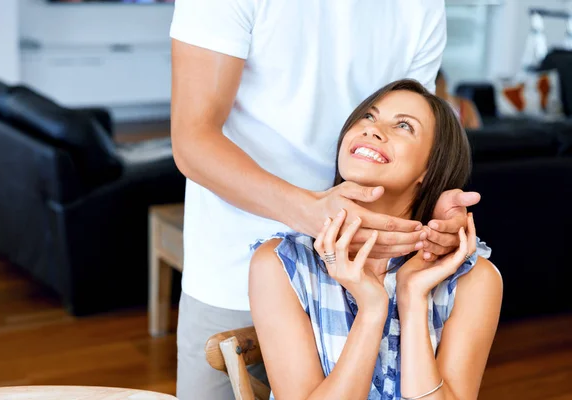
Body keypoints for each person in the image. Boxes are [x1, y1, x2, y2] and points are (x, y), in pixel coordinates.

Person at [169, 1, 484, 398]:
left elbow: (419, 130)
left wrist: (430, 206)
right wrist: (313, 215)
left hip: (375, 262)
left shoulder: (421, 8)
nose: (372, 130)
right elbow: (192, 139)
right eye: (366, 118)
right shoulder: (273, 263)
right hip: (235, 264)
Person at [249, 79, 503, 400]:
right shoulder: (282, 265)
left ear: (430, 167)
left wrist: (412, 299)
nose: (372, 129)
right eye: (368, 116)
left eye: (403, 126)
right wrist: (372, 310)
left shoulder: (473, 279)